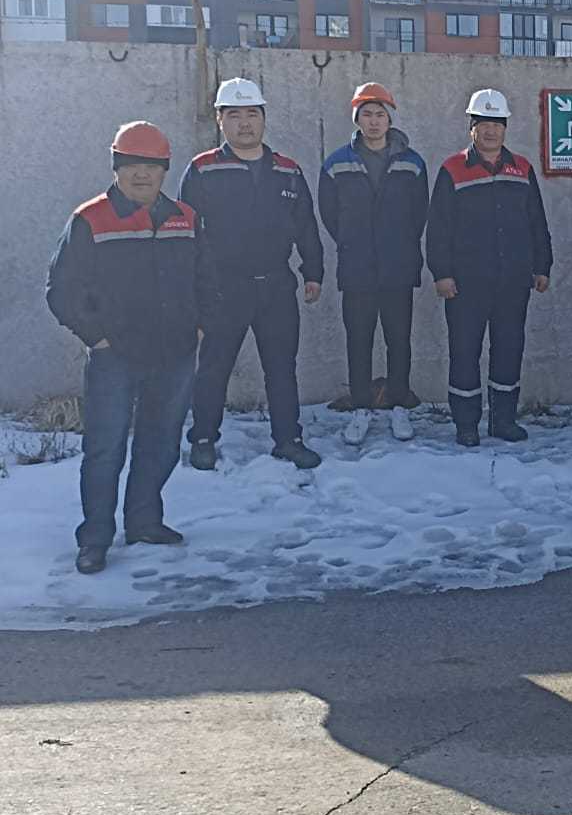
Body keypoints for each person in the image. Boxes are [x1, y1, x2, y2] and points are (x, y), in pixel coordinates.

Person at [46, 123, 207, 574]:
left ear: (164, 170)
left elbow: (208, 278)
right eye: (132, 165)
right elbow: (61, 290)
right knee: (105, 449)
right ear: (116, 167)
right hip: (114, 357)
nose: (142, 174)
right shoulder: (91, 219)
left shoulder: (185, 218)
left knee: (161, 443)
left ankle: (144, 522)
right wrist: (96, 338)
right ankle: (95, 538)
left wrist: (199, 326)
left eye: (151, 166)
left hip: (175, 353)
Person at [182, 78, 323, 471]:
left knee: (281, 368)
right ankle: (203, 439)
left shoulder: (287, 170)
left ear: (263, 118)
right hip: (223, 288)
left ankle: (289, 440)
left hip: (276, 286)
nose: (244, 123)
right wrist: (193, 289)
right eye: (234, 115)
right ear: (220, 120)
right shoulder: (203, 169)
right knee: (214, 368)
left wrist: (313, 271)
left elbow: (306, 225)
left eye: (252, 114)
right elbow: (186, 233)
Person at [427, 88, 553, 447]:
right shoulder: (452, 169)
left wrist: (542, 265)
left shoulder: (522, 169)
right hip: (466, 283)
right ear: (472, 127)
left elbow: (536, 221)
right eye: (483, 123)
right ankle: (466, 424)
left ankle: (503, 421)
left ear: (505, 127)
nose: (491, 130)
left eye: (497, 123)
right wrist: (441, 273)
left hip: (513, 280)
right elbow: (438, 227)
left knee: (509, 350)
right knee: (465, 352)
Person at [318, 81, 429, 445]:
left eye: (380, 114)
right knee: (359, 340)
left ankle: (398, 405)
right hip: (358, 269)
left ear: (390, 119)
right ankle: (361, 408)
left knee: (399, 340)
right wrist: (353, 243)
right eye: (367, 114)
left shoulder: (412, 163)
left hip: (398, 267)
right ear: (357, 119)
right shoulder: (337, 163)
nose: (374, 121)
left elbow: (419, 213)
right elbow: (329, 214)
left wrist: (398, 245)